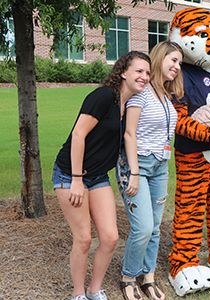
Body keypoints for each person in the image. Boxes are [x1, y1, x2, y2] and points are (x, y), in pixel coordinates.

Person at [52, 51, 151, 300]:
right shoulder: (103, 96)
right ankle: (78, 294)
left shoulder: (127, 106)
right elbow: (78, 135)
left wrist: (135, 174)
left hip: (97, 176)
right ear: (123, 72)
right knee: (84, 238)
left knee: (110, 237)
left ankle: (95, 290)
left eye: (148, 73)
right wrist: (75, 180)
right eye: (139, 71)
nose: (144, 77)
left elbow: (129, 139)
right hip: (70, 173)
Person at [115, 41, 183, 300]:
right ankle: (128, 277)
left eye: (179, 62)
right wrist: (133, 172)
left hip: (160, 166)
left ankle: (148, 277)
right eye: (172, 60)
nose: (177, 66)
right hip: (137, 166)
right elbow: (129, 134)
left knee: (154, 226)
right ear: (159, 59)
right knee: (142, 227)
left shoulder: (166, 95)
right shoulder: (141, 92)